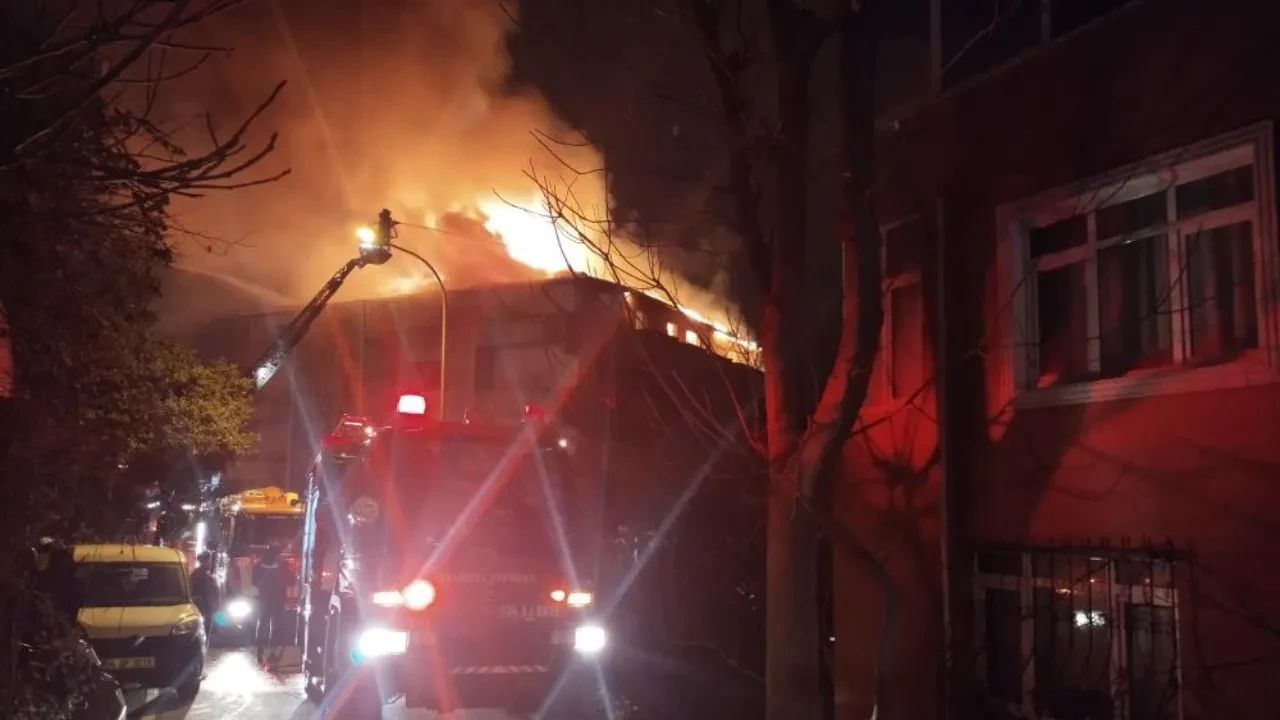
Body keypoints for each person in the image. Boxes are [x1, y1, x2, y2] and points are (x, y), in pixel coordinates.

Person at [252, 543, 293, 668]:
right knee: (276, 626)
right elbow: (291, 580)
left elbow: (254, 581)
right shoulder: (282, 565)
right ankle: (273, 652)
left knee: (262, 625)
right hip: (278, 600)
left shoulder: (260, 564)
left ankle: (260, 651)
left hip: (264, 600)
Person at [189, 551, 219, 638]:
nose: (211, 563)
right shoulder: (203, 575)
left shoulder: (199, 574)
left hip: (203, 610)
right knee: (204, 635)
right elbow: (208, 594)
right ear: (205, 561)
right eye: (209, 560)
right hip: (204, 609)